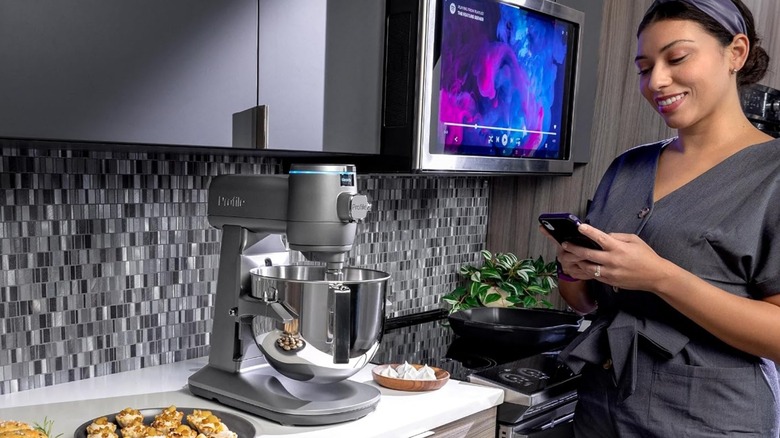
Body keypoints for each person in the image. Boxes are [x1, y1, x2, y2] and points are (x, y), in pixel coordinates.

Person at [541, 0, 780, 436]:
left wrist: (662, 277)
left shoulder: (772, 174)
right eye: (644, 67)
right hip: (600, 411)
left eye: (677, 58)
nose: (657, 81)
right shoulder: (628, 167)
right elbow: (587, 302)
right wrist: (574, 270)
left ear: (736, 53)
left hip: (709, 421)